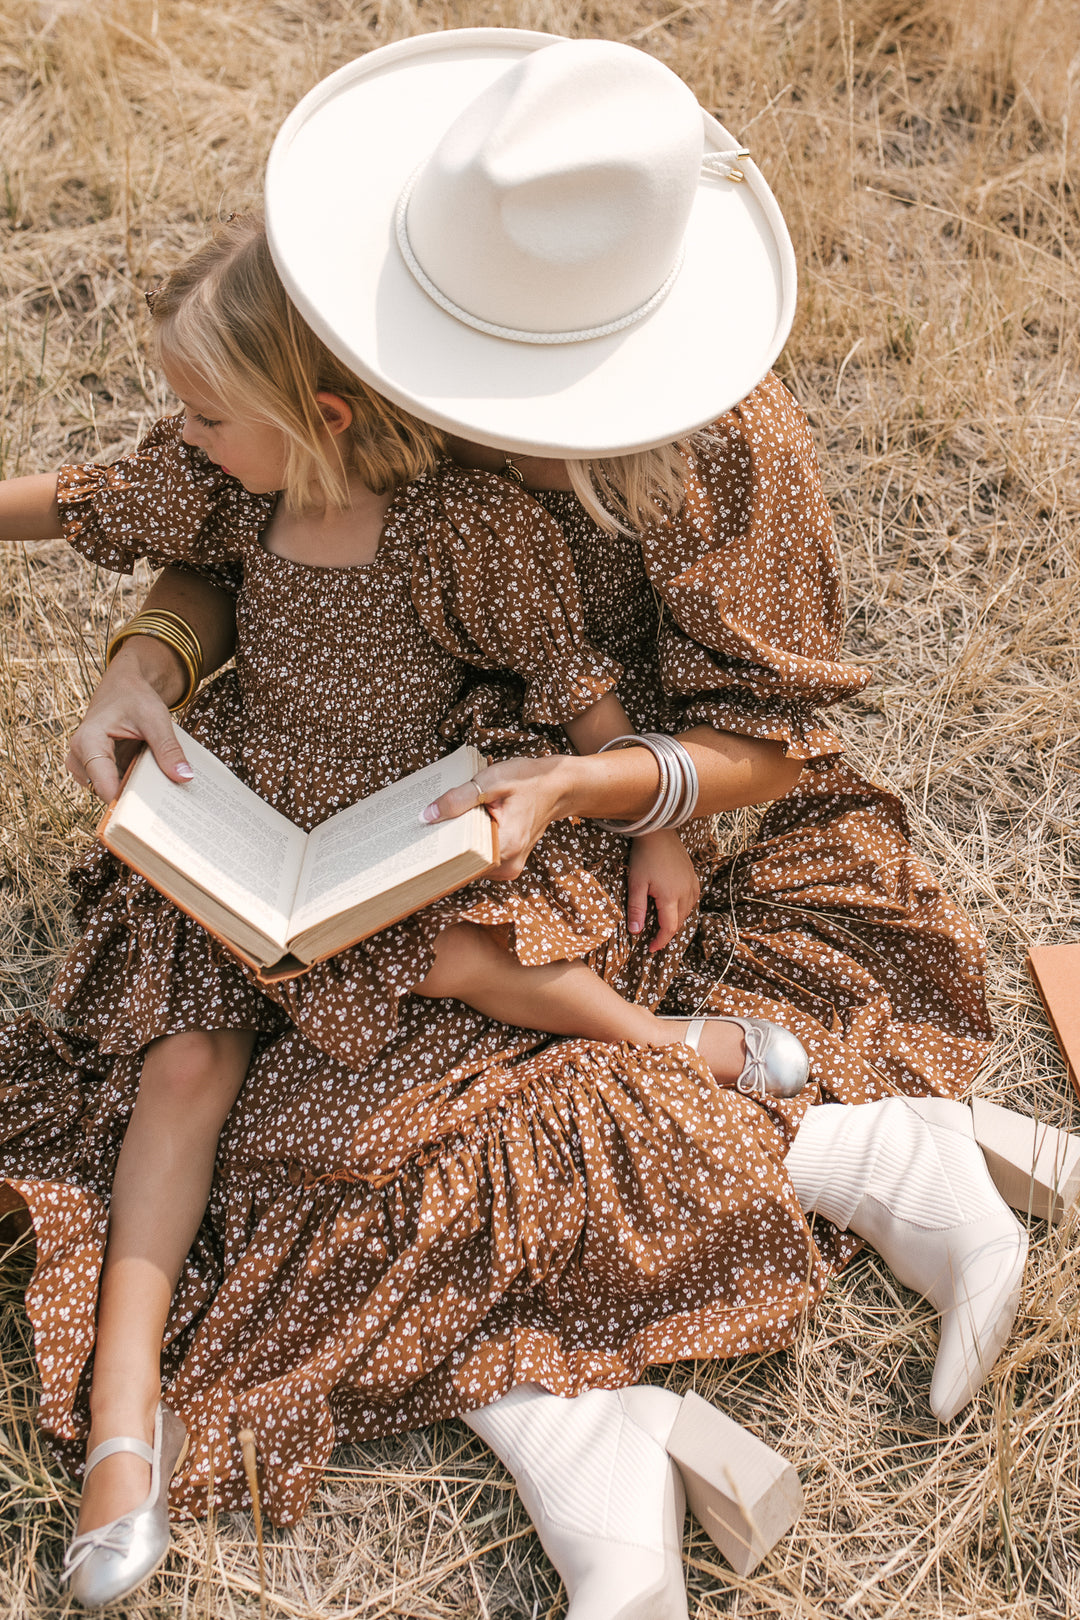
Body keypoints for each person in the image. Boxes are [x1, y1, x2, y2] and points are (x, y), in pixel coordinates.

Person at [0, 32, 1040, 1620]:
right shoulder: (346, 339)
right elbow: (210, 522)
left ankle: (869, 1169)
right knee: (290, 1125)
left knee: (429, 1081)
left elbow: (764, 733)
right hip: (419, 795)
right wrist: (147, 664)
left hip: (614, 803)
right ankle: (601, 1402)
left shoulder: (726, 449)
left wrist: (622, 802)